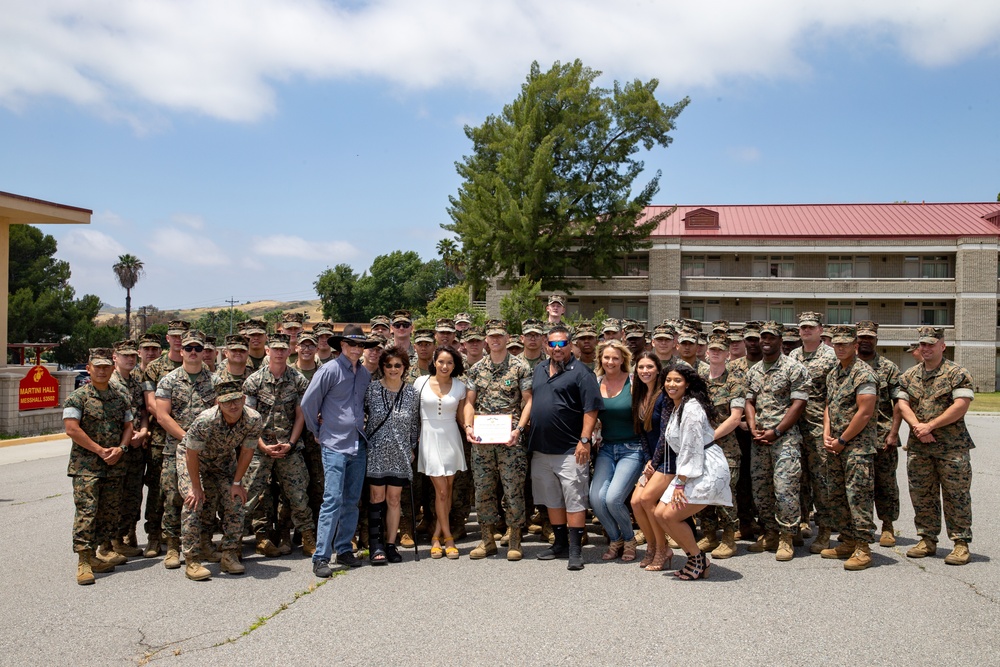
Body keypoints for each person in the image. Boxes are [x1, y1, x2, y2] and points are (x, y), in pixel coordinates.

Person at [301, 324, 380, 577]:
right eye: (352, 344)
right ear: (341, 346)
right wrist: (317, 431)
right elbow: (308, 403)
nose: (356, 349)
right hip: (334, 444)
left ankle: (344, 548)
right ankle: (321, 556)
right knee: (332, 499)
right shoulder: (329, 370)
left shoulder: (364, 374)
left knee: (351, 500)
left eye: (360, 345)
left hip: (358, 443)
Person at [897, 326, 976, 566]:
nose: (926, 348)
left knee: (956, 495)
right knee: (922, 495)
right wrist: (918, 427)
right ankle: (927, 539)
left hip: (951, 447)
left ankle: (960, 543)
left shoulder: (957, 373)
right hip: (920, 447)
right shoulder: (909, 375)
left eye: (932, 343)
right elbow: (902, 404)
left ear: (943, 345)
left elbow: (961, 405)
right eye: (923, 344)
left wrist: (930, 426)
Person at [528, 325, 604, 571]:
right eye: (552, 344)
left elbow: (590, 409)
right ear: (545, 345)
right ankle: (559, 544)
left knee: (574, 499)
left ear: (570, 345)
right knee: (552, 499)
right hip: (541, 449)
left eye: (562, 344)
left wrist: (584, 440)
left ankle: (575, 550)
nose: (557, 349)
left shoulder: (582, 373)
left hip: (571, 449)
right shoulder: (539, 369)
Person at [652, 363, 733, 580]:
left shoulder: (692, 408)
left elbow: (691, 446)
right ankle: (696, 557)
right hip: (689, 466)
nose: (671, 384)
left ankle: (697, 560)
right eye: (668, 380)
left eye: (677, 380)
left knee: (671, 515)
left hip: (705, 467)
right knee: (659, 513)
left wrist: (680, 483)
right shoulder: (679, 405)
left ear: (687, 384)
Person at [463, 320, 533, 562]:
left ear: (507, 338)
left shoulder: (519, 366)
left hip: (510, 439)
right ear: (486, 339)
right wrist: (468, 426)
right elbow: (470, 402)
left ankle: (514, 539)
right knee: (483, 489)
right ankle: (487, 540)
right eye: (491, 336)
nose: (495, 340)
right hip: (482, 439)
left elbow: (528, 401)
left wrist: (519, 429)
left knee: (513, 489)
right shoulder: (476, 369)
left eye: (499, 336)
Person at [63, 348, 134, 585]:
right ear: (89, 367)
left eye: (106, 366)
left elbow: (128, 426)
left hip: (114, 465)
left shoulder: (120, 397)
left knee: (109, 512)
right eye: (97, 366)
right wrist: (99, 450)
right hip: (87, 467)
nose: (102, 370)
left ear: (112, 368)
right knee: (87, 511)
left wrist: (122, 449)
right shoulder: (77, 397)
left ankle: (98, 555)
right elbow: (72, 429)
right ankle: (84, 561)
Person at [242, 333, 316, 559]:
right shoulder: (254, 381)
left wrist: (291, 443)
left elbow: (300, 414)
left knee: (299, 495)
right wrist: (262, 446)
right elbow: (249, 417)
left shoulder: (297, 380)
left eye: (283, 349)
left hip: (288, 447)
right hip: (259, 448)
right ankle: (233, 542)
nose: (279, 353)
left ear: (289, 351)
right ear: (267, 351)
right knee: (248, 496)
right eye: (275, 349)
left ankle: (308, 538)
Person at [177, 381, 261, 580]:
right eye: (226, 402)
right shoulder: (205, 420)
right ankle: (192, 560)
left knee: (237, 500)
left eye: (236, 400)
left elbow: (247, 451)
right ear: (218, 403)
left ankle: (230, 553)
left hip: (223, 460)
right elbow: (191, 453)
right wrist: (196, 487)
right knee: (193, 503)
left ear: (243, 399)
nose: (233, 406)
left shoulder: (253, 419)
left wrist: (237, 483)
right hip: (194, 458)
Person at [744, 321, 810, 561]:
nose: (766, 341)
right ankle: (769, 532)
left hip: (785, 439)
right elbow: (749, 401)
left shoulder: (794, 368)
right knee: (761, 489)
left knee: (785, 489)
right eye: (763, 337)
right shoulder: (754, 371)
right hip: (759, 438)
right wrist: (752, 427)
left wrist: (778, 431)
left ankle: (786, 537)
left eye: (771, 337)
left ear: (781, 341)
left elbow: (798, 404)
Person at [155, 330, 217, 570]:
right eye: (189, 348)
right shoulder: (169, 380)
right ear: (181, 351)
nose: (193, 352)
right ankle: (172, 546)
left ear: (204, 352)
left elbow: (219, 413)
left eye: (198, 349)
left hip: (207, 452)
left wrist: (201, 444)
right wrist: (188, 439)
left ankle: (205, 541)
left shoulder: (214, 380)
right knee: (173, 498)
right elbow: (162, 415)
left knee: (207, 497)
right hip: (176, 448)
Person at [820, 325, 878, 570]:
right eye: (837, 343)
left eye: (845, 343)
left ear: (855, 346)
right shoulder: (833, 373)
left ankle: (863, 547)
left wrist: (842, 440)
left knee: (858, 497)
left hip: (857, 448)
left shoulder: (863, 374)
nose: (840, 347)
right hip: (835, 445)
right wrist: (826, 435)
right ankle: (847, 540)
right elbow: (828, 407)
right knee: (837, 496)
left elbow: (865, 412)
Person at [588, 340, 644, 562]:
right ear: (600, 359)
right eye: (606, 357)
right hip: (606, 448)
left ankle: (629, 539)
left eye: (615, 358)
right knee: (596, 498)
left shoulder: (635, 382)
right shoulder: (595, 382)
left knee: (613, 499)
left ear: (624, 360)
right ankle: (615, 538)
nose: (610, 361)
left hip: (633, 448)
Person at [364, 346, 420, 565]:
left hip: (400, 453)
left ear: (404, 367)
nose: (393, 369)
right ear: (382, 367)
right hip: (376, 452)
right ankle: (375, 546)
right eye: (388, 365)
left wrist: (412, 447)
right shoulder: (372, 390)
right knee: (376, 499)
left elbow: (414, 424)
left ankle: (390, 544)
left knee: (394, 499)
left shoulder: (411, 393)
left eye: (398, 365)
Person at [788, 312, 839, 554]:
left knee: (822, 480)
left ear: (820, 329)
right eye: (802, 328)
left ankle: (825, 531)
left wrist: (829, 429)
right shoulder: (793, 355)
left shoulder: (830, 357)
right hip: (795, 426)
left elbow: (834, 395)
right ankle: (798, 523)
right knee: (797, 479)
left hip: (819, 426)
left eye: (811, 327)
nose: (806, 331)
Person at [414, 346, 468, 559]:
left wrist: (473, 431)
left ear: (455, 366)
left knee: (447, 491)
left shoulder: (460, 386)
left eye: (450, 363)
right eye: (441, 361)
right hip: (428, 438)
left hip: (451, 439)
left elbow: (463, 418)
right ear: (434, 362)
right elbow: (411, 414)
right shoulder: (420, 383)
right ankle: (448, 537)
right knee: (442, 491)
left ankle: (436, 536)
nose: (445, 366)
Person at [141, 320, 188, 557]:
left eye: (183, 336)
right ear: (167, 339)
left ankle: (183, 536)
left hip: (190, 440)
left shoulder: (196, 364)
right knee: (160, 490)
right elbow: (151, 404)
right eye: (174, 335)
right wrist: (173, 422)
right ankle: (154, 536)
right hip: (162, 439)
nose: (179, 340)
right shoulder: (155, 367)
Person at [698, 333, 746, 559]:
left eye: (720, 350)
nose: (715, 352)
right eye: (712, 349)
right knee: (703, 491)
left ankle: (729, 537)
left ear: (728, 355)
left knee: (725, 492)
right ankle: (709, 534)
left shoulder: (734, 382)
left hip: (725, 448)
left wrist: (710, 436)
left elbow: (735, 418)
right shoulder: (698, 379)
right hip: (701, 448)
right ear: (707, 353)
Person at [856, 321, 903, 547]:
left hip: (882, 436)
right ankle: (860, 527)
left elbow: (899, 403)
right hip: (853, 437)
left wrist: (893, 433)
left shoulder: (888, 367)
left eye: (870, 337)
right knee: (857, 485)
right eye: (862, 337)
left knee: (885, 483)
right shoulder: (846, 365)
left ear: (876, 340)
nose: (865, 341)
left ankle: (887, 525)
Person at [105, 339, 149, 561]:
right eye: (125, 355)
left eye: (133, 355)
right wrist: (126, 438)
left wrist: (142, 432)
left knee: (133, 494)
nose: (130, 359)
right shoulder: (109, 382)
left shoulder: (135, 381)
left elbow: (142, 411)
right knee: (114, 496)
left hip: (135, 448)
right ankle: (110, 542)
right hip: (117, 447)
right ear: (115, 357)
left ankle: (125, 535)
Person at [629, 352, 667, 569]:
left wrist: (655, 461)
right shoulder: (639, 395)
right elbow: (642, 433)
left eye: (649, 367)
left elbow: (665, 434)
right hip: (651, 459)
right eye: (641, 367)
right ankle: (651, 545)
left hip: (666, 459)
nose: (645, 371)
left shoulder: (664, 396)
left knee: (646, 500)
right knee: (635, 502)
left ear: (657, 369)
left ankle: (663, 549)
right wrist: (647, 460)